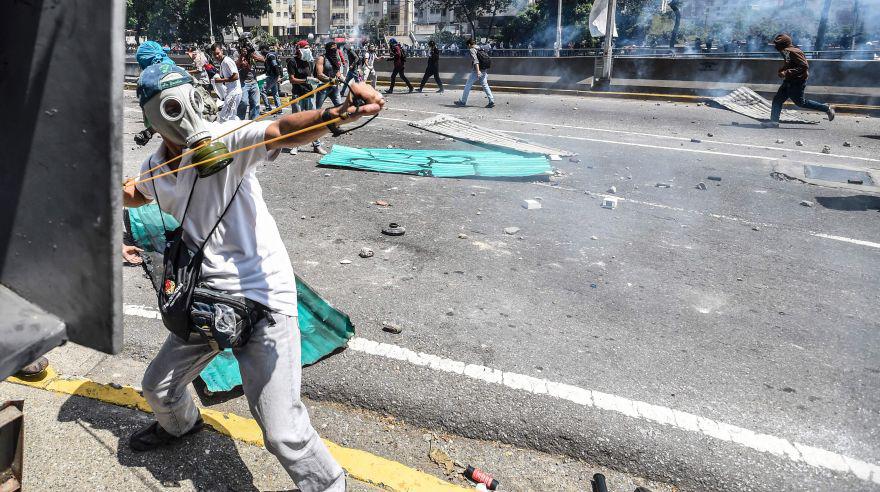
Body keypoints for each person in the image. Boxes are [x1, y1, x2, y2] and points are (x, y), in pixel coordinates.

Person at [123, 63, 384, 492]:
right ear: (152, 121)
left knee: (282, 432)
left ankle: (328, 486)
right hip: (205, 301)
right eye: (169, 109)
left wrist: (337, 113)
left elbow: (281, 127)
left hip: (262, 302)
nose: (185, 115)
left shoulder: (228, 139)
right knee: (158, 387)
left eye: (185, 101)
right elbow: (138, 191)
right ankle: (182, 427)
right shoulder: (156, 163)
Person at [763, 33, 834, 128]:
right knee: (777, 100)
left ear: (784, 44)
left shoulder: (793, 51)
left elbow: (804, 66)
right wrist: (782, 70)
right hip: (789, 80)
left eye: (778, 44)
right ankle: (774, 122)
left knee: (800, 103)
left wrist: (787, 72)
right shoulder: (785, 51)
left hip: (797, 82)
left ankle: (827, 108)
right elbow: (789, 63)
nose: (776, 47)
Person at [287, 40, 327, 155]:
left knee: (313, 120)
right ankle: (295, 145)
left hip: (309, 93)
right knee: (297, 121)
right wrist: (306, 80)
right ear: (299, 49)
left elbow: (314, 76)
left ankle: (316, 145)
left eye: (309, 47)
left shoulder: (308, 62)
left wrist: (315, 81)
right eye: (306, 47)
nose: (308, 49)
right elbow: (292, 79)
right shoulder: (292, 62)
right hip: (298, 94)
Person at [455, 38, 495, 108]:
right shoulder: (480, 48)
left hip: (476, 71)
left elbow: (475, 61)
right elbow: (488, 48)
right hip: (484, 69)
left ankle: (463, 101)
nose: (468, 47)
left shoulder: (472, 49)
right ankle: (491, 100)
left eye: (468, 46)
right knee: (485, 85)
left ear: (470, 44)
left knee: (468, 85)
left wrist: (477, 71)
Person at [211, 43, 242, 122]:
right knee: (230, 116)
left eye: (218, 53)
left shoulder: (227, 61)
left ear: (222, 51)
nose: (216, 56)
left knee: (225, 117)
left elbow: (236, 76)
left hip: (234, 93)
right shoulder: (222, 62)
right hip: (231, 92)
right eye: (214, 54)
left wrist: (220, 80)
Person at [236, 41, 266, 120]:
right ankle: (240, 122)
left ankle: (253, 122)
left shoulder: (253, 52)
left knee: (255, 104)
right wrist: (241, 55)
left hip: (254, 81)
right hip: (243, 82)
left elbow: (263, 59)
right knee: (243, 102)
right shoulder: (237, 52)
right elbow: (236, 65)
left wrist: (252, 54)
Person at [314, 41, 344, 109]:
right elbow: (319, 74)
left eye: (335, 48)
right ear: (328, 49)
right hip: (323, 87)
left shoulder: (335, 59)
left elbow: (337, 70)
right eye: (333, 48)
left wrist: (340, 77)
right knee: (318, 109)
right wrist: (330, 79)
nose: (335, 50)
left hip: (334, 87)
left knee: (340, 108)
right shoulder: (321, 58)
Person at [261, 44, 282, 112]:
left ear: (264, 49)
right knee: (275, 92)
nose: (261, 52)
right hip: (273, 76)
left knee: (263, 91)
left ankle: (268, 107)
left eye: (261, 50)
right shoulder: (270, 55)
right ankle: (279, 109)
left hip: (273, 76)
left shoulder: (270, 56)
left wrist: (278, 76)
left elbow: (275, 65)